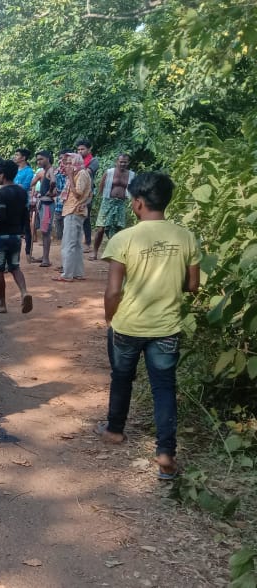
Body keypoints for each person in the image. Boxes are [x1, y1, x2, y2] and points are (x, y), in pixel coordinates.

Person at [94, 172, 199, 481]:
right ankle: (166, 454)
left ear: (137, 204)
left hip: (128, 324)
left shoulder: (124, 238)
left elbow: (113, 291)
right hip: (166, 327)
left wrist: (109, 317)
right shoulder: (186, 236)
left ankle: (114, 430)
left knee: (122, 377)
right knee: (164, 388)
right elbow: (192, 285)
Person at [0, 159, 33, 314]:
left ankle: (2, 304)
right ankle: (24, 292)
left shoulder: (1, 193)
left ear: (3, 174)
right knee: (15, 267)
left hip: (0, 236)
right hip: (16, 236)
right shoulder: (22, 191)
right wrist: (23, 232)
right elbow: (25, 216)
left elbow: (1, 217)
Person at [53, 152, 91, 282]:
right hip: (75, 211)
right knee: (76, 244)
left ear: (76, 162)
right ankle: (77, 273)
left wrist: (69, 176)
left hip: (74, 210)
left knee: (68, 244)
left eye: (70, 163)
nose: (68, 165)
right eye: (67, 163)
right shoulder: (80, 173)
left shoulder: (80, 174)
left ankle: (67, 274)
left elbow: (78, 194)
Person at [90, 154, 135, 260]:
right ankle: (95, 252)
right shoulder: (110, 172)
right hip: (107, 202)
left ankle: (115, 253)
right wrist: (102, 200)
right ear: (117, 162)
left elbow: (133, 189)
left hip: (121, 203)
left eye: (125, 162)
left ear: (128, 163)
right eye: (121, 162)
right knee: (101, 228)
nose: (123, 164)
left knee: (119, 228)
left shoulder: (132, 175)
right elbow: (101, 185)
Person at [29, 150, 58, 266]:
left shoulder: (51, 170)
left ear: (48, 158)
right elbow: (32, 183)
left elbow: (53, 182)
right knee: (44, 230)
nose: (38, 161)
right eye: (37, 159)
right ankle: (44, 257)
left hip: (47, 204)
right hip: (42, 203)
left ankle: (46, 259)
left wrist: (49, 191)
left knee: (45, 231)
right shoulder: (43, 172)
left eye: (41, 159)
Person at [76, 139, 99, 252]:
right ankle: (78, 242)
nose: (80, 151)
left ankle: (88, 243)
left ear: (89, 149)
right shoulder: (76, 161)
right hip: (76, 192)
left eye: (82, 149)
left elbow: (87, 172)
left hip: (87, 192)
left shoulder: (93, 161)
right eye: (78, 149)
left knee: (86, 217)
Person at [12, 148, 35, 261]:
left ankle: (27, 253)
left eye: (17, 155)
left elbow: (24, 187)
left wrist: (13, 186)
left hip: (22, 204)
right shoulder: (14, 169)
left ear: (23, 158)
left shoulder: (29, 171)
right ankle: (15, 254)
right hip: (12, 203)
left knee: (26, 229)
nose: (15, 157)